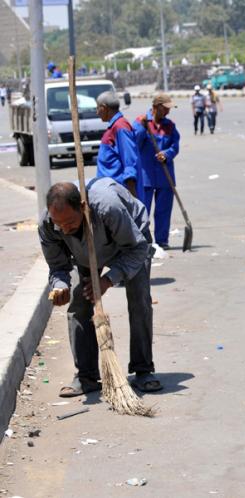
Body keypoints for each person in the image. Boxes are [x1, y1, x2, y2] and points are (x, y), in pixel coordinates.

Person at [39, 179, 161, 397]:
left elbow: (137, 249)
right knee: (79, 301)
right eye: (61, 225)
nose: (65, 229)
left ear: (83, 207)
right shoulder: (49, 224)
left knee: (139, 298)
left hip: (130, 243)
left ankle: (143, 370)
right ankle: (85, 376)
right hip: (85, 253)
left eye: (70, 223)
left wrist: (109, 279)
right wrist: (60, 286)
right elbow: (57, 266)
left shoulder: (108, 207)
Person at [133, 93, 181, 249]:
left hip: (165, 174)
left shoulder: (170, 125)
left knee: (163, 210)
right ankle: (143, 241)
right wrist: (142, 129)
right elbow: (135, 144)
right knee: (143, 210)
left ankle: (162, 240)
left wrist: (167, 154)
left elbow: (175, 145)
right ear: (156, 107)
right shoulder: (141, 122)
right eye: (165, 109)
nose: (167, 112)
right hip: (146, 175)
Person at [95, 91, 142, 202]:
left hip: (119, 194)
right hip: (110, 192)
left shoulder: (120, 127)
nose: (97, 112)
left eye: (97, 108)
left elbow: (130, 161)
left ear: (104, 108)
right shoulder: (114, 126)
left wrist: (133, 200)